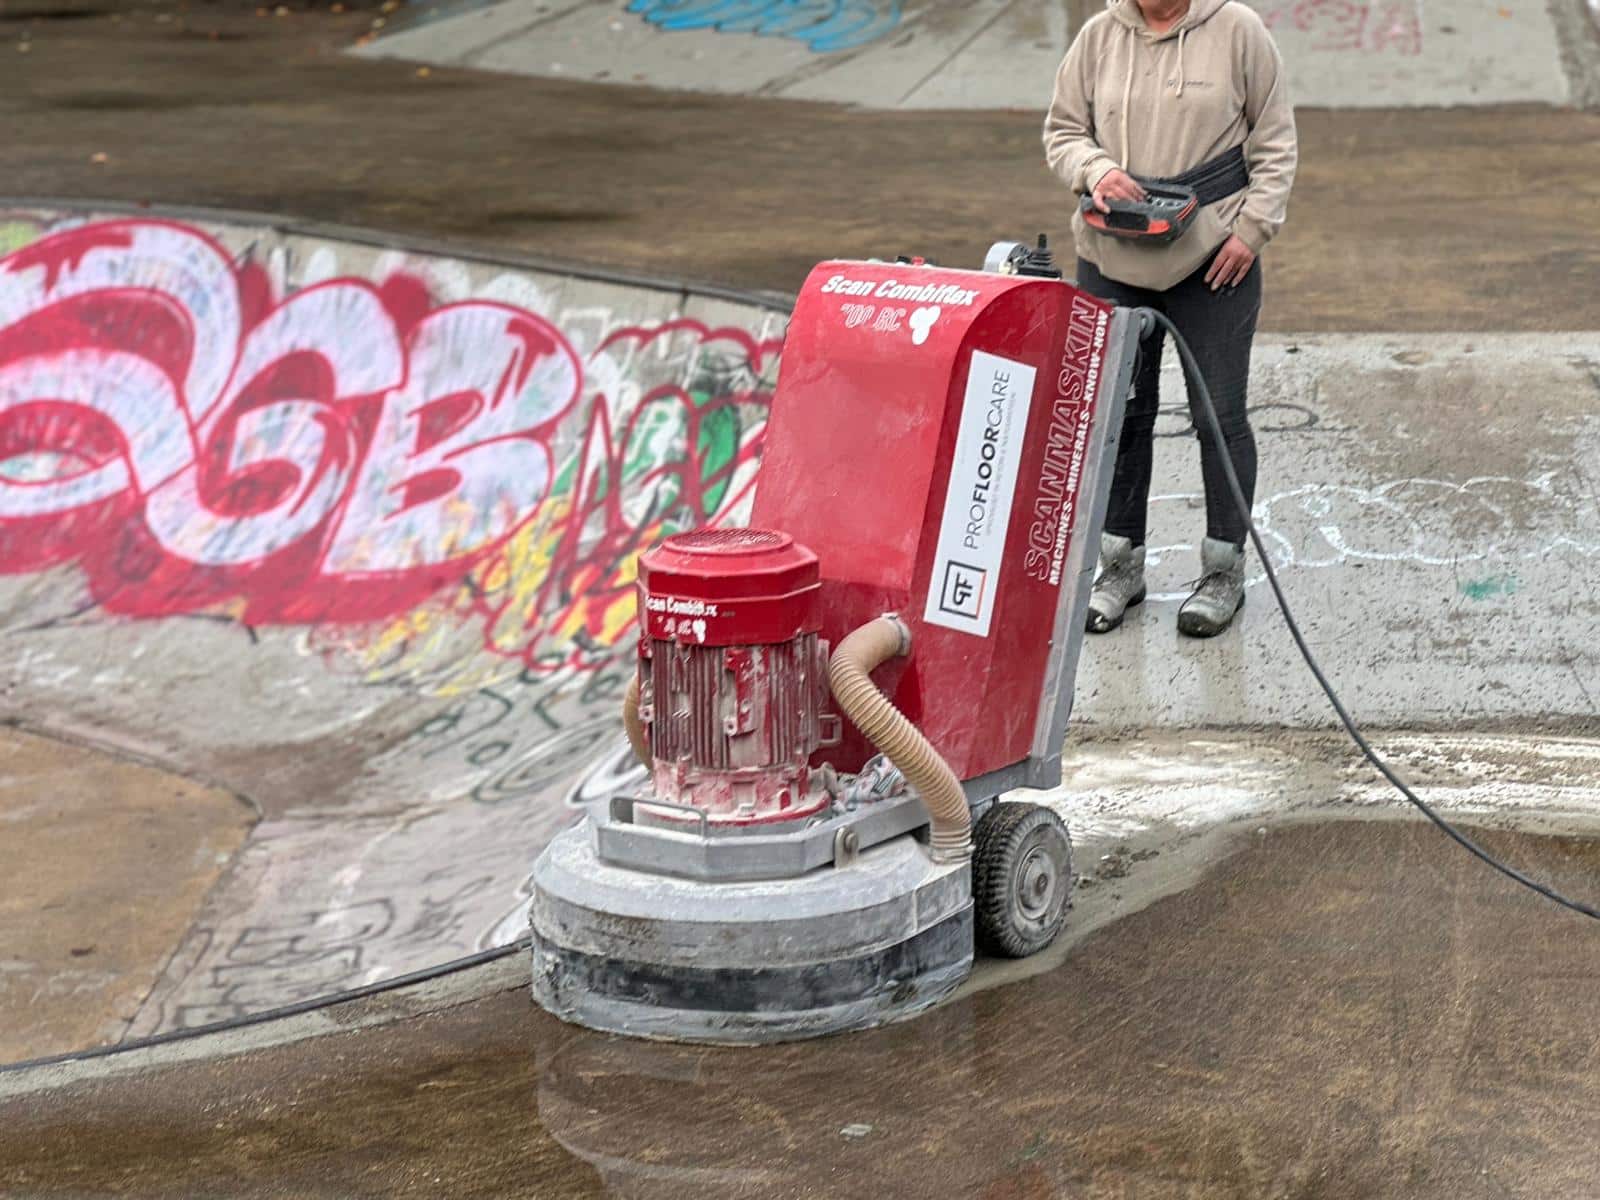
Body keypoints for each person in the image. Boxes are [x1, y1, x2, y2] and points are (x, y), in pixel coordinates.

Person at [1043, 0, 1297, 637]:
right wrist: (1095, 169)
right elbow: (1063, 133)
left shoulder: (1239, 31)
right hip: (1111, 256)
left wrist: (1252, 231)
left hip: (1214, 259)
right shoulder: (1099, 37)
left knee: (1220, 416)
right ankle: (1120, 568)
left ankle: (1221, 571)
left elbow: (1274, 141)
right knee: (1121, 416)